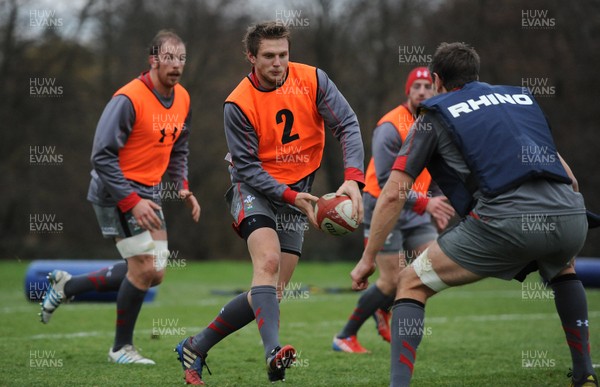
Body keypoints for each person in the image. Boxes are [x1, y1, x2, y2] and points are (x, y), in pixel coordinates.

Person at [351, 42, 597, 387]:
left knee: (409, 282)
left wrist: (366, 258)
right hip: (572, 213)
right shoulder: (519, 100)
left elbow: (392, 193)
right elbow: (567, 174)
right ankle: (584, 372)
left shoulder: (433, 113)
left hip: (506, 220)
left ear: (437, 80)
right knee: (564, 269)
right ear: (476, 75)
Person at [174, 21, 365, 385]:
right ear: (251, 57)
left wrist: (354, 179)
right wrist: (295, 197)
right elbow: (248, 168)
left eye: (283, 54)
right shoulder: (238, 103)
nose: (278, 63)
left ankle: (196, 346)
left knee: (270, 294)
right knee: (269, 262)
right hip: (254, 189)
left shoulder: (314, 80)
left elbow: (348, 124)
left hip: (299, 192)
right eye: (269, 56)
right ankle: (273, 354)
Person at [40, 30, 200, 365]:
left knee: (154, 270)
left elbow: (179, 144)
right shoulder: (128, 99)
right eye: (168, 57)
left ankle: (67, 287)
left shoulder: (182, 98)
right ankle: (120, 348)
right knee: (142, 269)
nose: (176, 65)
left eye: (181, 58)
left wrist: (181, 184)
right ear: (153, 60)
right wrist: (131, 201)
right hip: (116, 191)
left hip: (149, 192)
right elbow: (101, 156)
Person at [333, 67, 454, 353]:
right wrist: (427, 202)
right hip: (382, 206)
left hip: (416, 209)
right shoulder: (390, 125)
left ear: (436, 89)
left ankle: (383, 306)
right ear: (408, 91)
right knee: (390, 279)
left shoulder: (436, 122)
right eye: (417, 86)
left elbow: (438, 173)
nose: (423, 91)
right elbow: (388, 182)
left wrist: (437, 202)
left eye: (428, 85)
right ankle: (345, 336)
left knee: (436, 268)